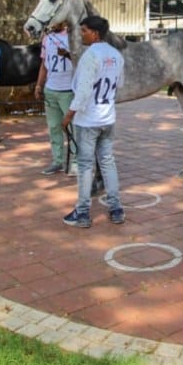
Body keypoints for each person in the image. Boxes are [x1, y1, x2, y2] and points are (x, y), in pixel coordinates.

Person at [61, 15, 124, 228]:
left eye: (84, 31)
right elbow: (119, 84)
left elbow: (83, 90)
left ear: (95, 33)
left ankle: (82, 212)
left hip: (88, 120)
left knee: (86, 165)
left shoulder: (90, 56)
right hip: (107, 117)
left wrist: (69, 114)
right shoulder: (116, 55)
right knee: (107, 161)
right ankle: (116, 208)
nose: (81, 34)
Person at [34, 22, 76, 175]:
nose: (54, 23)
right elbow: (44, 64)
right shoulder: (47, 38)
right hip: (51, 89)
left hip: (68, 90)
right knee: (54, 127)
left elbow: (80, 61)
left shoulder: (74, 36)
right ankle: (57, 160)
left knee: (72, 128)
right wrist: (39, 85)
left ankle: (75, 161)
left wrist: (66, 54)